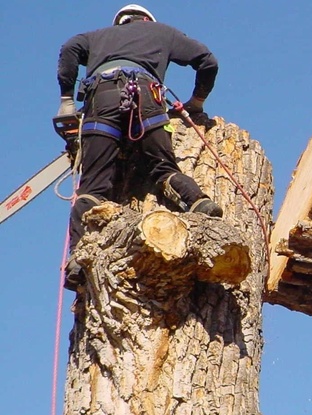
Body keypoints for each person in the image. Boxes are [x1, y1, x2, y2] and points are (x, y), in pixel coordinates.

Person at [56, 4, 222, 291]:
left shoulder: (95, 37)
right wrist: (196, 103)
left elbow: (69, 49)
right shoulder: (163, 32)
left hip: (101, 99)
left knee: (92, 189)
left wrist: (67, 100)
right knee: (163, 169)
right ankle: (198, 202)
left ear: (119, 22)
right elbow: (208, 61)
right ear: (147, 20)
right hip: (147, 97)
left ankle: (79, 258)